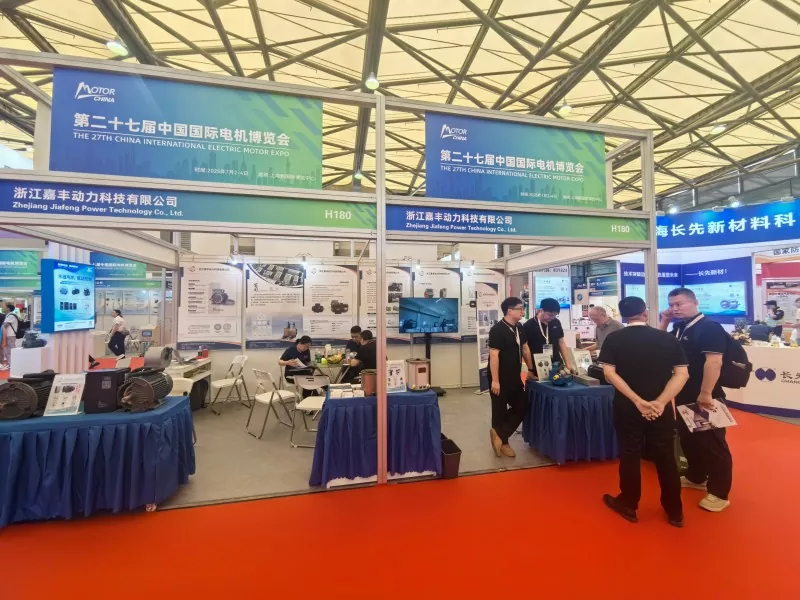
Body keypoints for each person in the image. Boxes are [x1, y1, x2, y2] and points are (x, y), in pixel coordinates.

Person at [599, 297, 689, 527]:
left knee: (630, 453)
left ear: (622, 316)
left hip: (627, 407)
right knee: (666, 456)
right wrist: (660, 402)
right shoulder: (667, 338)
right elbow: (682, 374)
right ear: (645, 313)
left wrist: (637, 401)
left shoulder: (614, 339)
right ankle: (674, 510)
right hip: (661, 409)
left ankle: (629, 503)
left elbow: (609, 373)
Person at [659, 287, 733, 512]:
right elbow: (660, 344)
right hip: (684, 393)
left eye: (679, 304)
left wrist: (706, 392)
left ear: (695, 302)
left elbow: (714, 362)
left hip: (704, 395)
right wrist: (664, 320)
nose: (675, 308)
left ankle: (719, 493)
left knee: (712, 444)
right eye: (671, 305)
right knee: (689, 439)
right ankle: (696, 476)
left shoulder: (708, 327)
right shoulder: (681, 327)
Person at [488, 297, 536, 458]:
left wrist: (531, 369)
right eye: (520, 308)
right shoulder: (497, 329)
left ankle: (499, 434)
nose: (523, 311)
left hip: (515, 376)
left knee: (522, 404)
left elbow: (525, 348)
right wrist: (495, 380)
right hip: (500, 377)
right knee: (499, 410)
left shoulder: (519, 327)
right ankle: (504, 443)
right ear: (509, 310)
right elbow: (494, 355)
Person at [522, 297, 575, 371]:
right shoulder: (529, 325)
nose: (552, 317)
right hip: (538, 365)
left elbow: (561, 343)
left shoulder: (556, 322)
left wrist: (568, 364)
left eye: (554, 315)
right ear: (541, 310)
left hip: (556, 363)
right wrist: (530, 369)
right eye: (549, 315)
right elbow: (525, 348)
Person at [1, 303, 20, 371]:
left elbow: (5, 325)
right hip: (8, 335)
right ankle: (10, 364)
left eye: (4, 307)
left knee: (11, 350)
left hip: (10, 335)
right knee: (7, 350)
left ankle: (13, 364)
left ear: (8, 308)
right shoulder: (8, 315)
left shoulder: (11, 315)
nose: (2, 308)